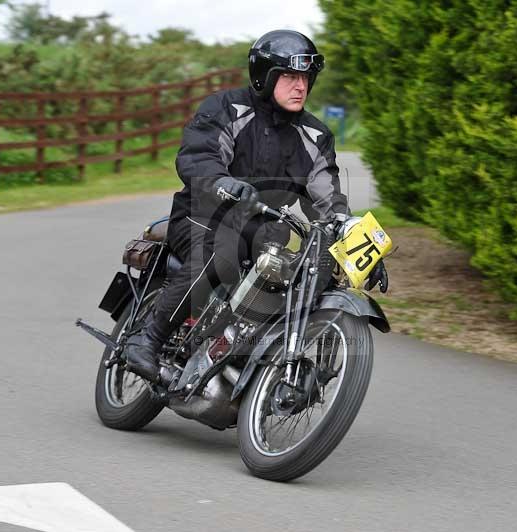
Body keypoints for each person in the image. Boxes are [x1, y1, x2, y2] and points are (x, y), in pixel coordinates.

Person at [125, 29, 388, 380]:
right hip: (203, 218)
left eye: (306, 78)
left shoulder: (314, 135)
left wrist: (358, 242)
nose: (301, 86)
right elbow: (199, 155)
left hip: (264, 236)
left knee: (305, 277)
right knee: (218, 256)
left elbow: (326, 195)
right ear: (264, 76)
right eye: (290, 76)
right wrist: (221, 182)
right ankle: (147, 340)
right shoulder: (227, 108)